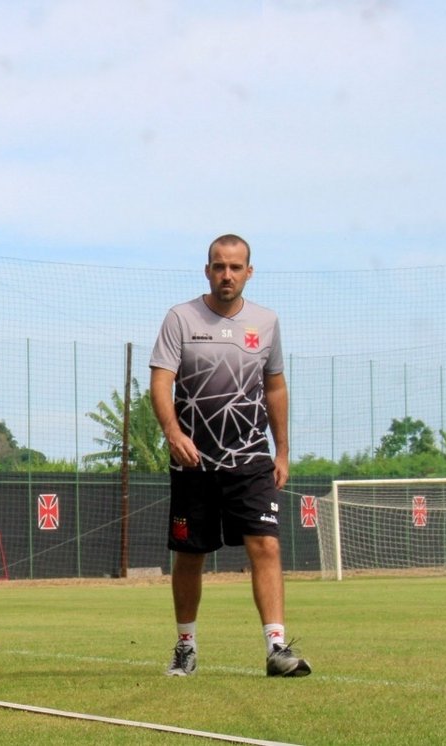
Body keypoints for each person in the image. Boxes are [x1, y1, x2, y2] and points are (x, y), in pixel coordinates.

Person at [148, 234, 311, 678]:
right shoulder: (180, 318)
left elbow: (274, 386)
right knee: (190, 555)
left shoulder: (267, 322)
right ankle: (186, 646)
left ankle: (277, 648)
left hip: (251, 459)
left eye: (235, 267)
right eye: (219, 266)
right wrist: (172, 432)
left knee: (267, 544)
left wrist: (283, 450)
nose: (227, 275)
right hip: (194, 461)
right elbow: (161, 381)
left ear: (249, 272)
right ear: (207, 271)